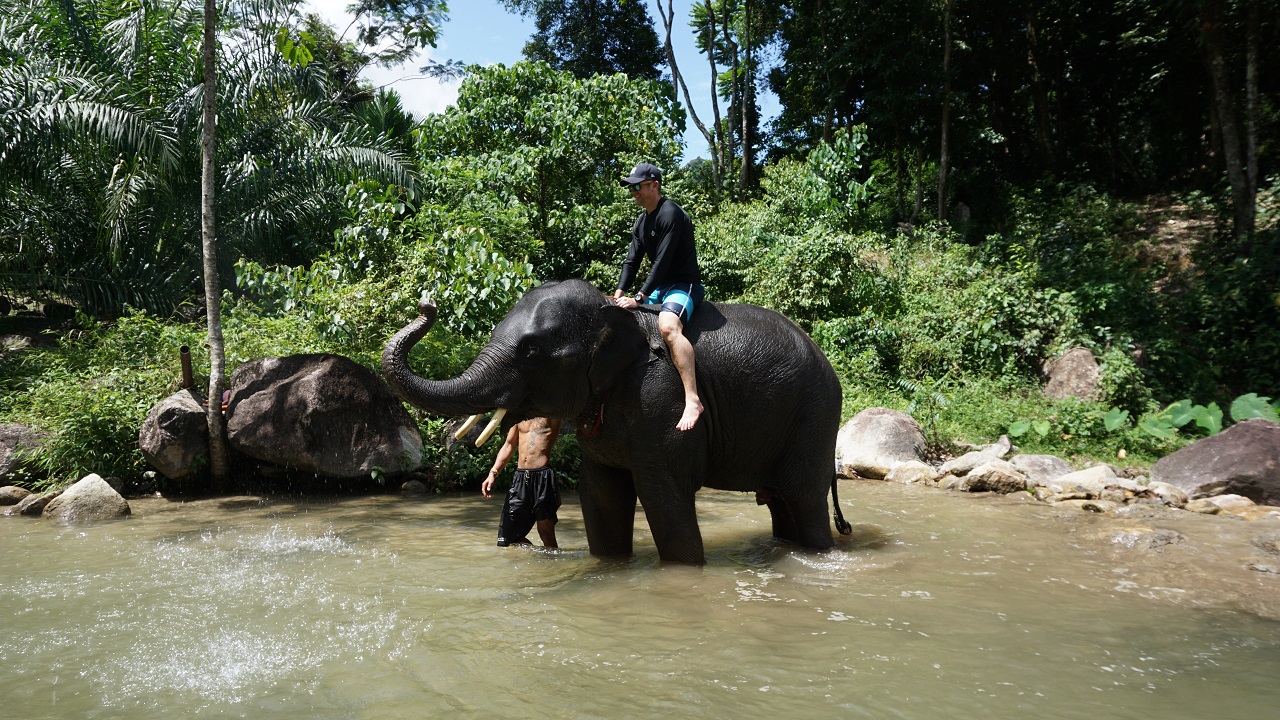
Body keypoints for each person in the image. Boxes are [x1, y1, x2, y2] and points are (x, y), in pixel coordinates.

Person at [611, 162, 705, 431]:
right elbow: (631, 262)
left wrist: (639, 297)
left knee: (667, 327)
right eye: (631, 187)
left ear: (654, 185)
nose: (634, 192)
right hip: (658, 288)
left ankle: (693, 399)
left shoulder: (670, 213)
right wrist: (618, 295)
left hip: (682, 285)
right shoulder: (642, 222)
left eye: (638, 186)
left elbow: (661, 262)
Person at [482, 417, 563, 549]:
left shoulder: (551, 412)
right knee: (508, 538)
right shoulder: (519, 415)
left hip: (542, 478)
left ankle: (551, 565)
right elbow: (509, 444)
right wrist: (493, 473)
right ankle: (538, 556)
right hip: (520, 479)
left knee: (546, 533)